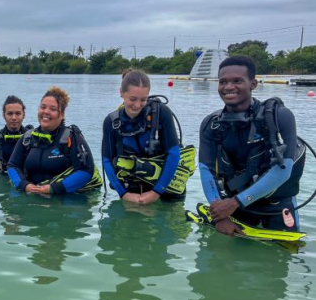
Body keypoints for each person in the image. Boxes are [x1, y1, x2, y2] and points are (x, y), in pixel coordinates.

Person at [199, 55, 305, 234]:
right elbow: (205, 169)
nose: (228, 87)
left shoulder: (280, 117)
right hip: (232, 208)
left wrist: (234, 203)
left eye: (237, 81)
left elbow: (284, 170)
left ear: (253, 84)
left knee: (286, 257)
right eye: (223, 82)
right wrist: (221, 215)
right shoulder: (211, 124)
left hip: (276, 205)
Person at [102, 69, 191, 204]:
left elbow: (173, 153)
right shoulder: (111, 122)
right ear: (121, 92)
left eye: (143, 99)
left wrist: (157, 192)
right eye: (132, 99)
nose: (137, 105)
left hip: (167, 188)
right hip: (131, 191)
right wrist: (124, 194)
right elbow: (107, 160)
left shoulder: (162, 113)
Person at [8, 87, 97, 194]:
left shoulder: (71, 138)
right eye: (43, 107)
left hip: (65, 201)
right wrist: (24, 185)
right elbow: (13, 165)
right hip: (32, 197)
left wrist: (54, 189)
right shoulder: (27, 138)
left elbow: (86, 171)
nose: (46, 112)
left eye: (53, 109)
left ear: (62, 114)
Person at [0, 95, 33, 173]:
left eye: (18, 113)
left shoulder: (32, 139)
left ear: (24, 115)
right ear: (3, 115)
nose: (14, 118)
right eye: (10, 114)